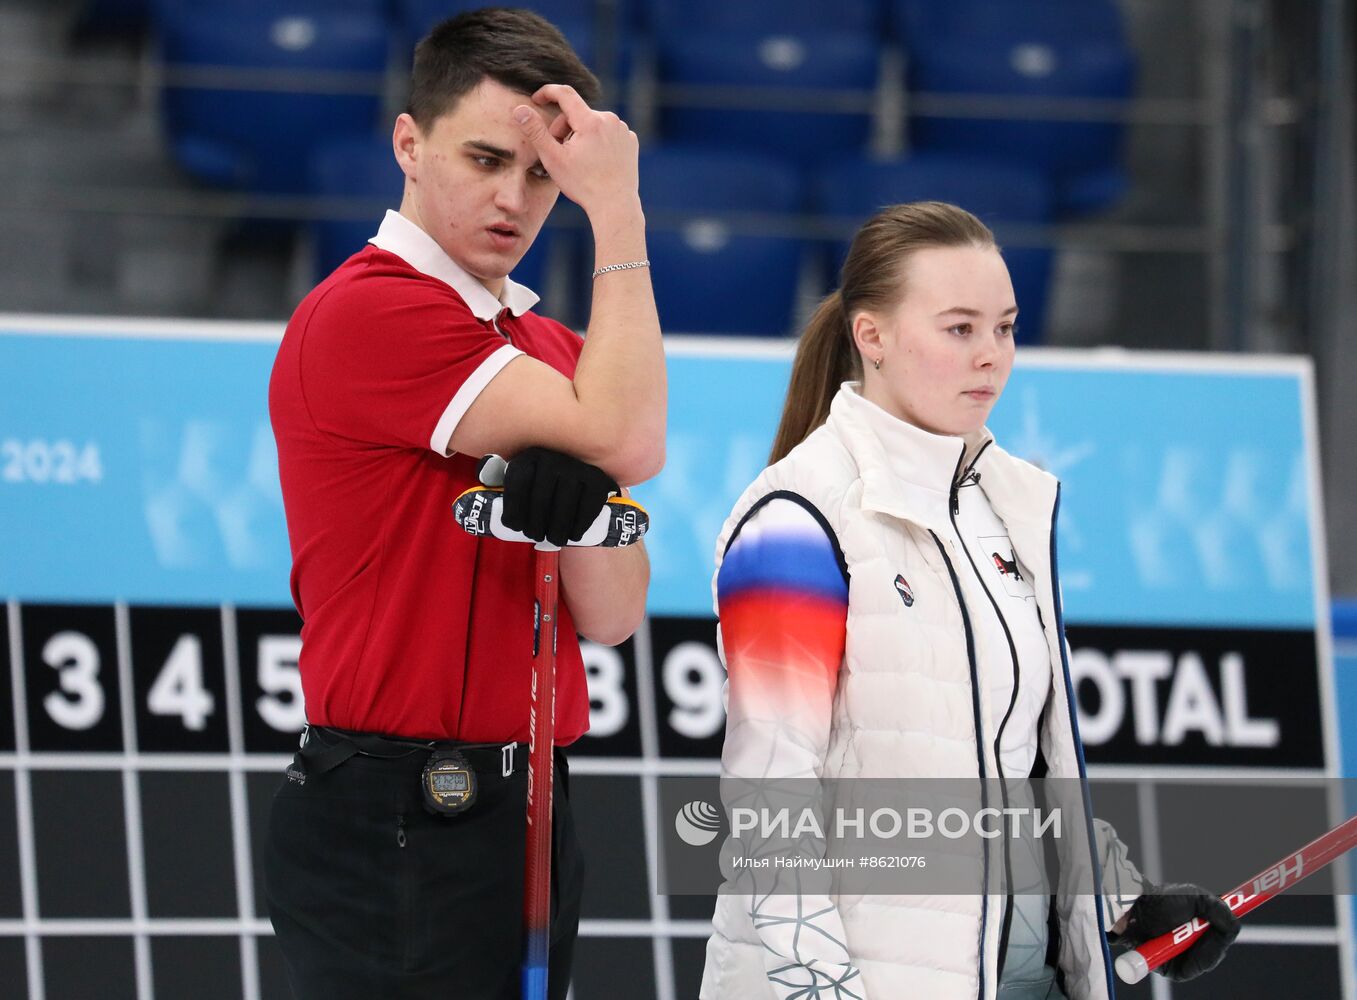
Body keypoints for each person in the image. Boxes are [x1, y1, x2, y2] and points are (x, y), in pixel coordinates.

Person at [699, 202, 1237, 999]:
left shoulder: (1001, 509)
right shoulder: (798, 520)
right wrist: (823, 988)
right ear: (870, 336)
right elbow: (768, 803)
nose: (991, 357)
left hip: (1020, 977)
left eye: (1005, 328)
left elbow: (1010, 773)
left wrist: (1122, 903)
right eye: (959, 329)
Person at [264, 9, 664, 1000]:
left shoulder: (555, 352)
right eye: (484, 158)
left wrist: (580, 509)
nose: (511, 198)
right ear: (408, 142)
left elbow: (612, 615)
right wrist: (618, 213)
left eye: (540, 176)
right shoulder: (373, 308)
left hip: (528, 793)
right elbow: (630, 439)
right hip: (399, 800)